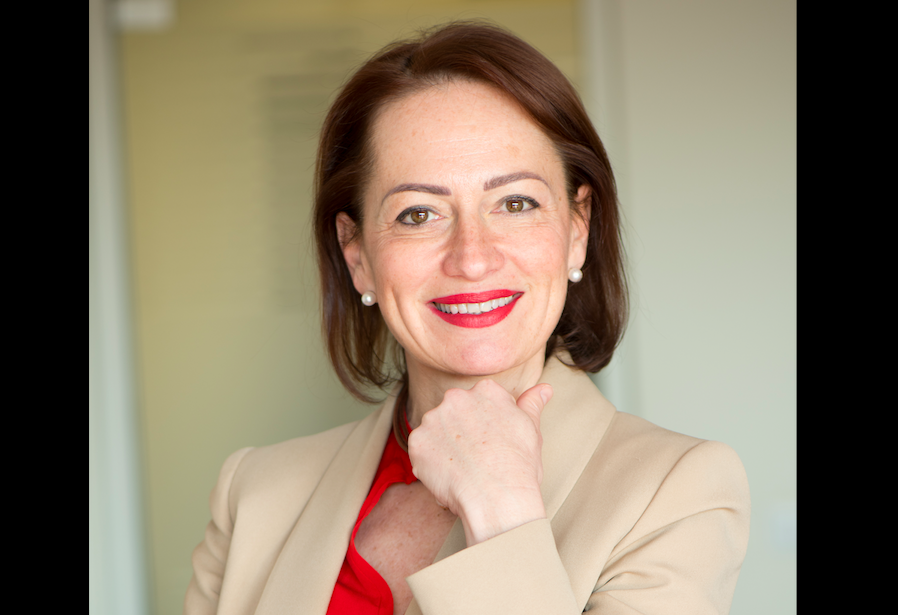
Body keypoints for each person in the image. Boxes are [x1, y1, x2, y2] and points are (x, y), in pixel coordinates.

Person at [185, 22, 749, 615]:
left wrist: (503, 516)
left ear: (577, 230)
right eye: (418, 214)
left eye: (515, 203)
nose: (473, 258)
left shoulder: (677, 492)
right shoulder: (253, 492)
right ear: (358, 256)